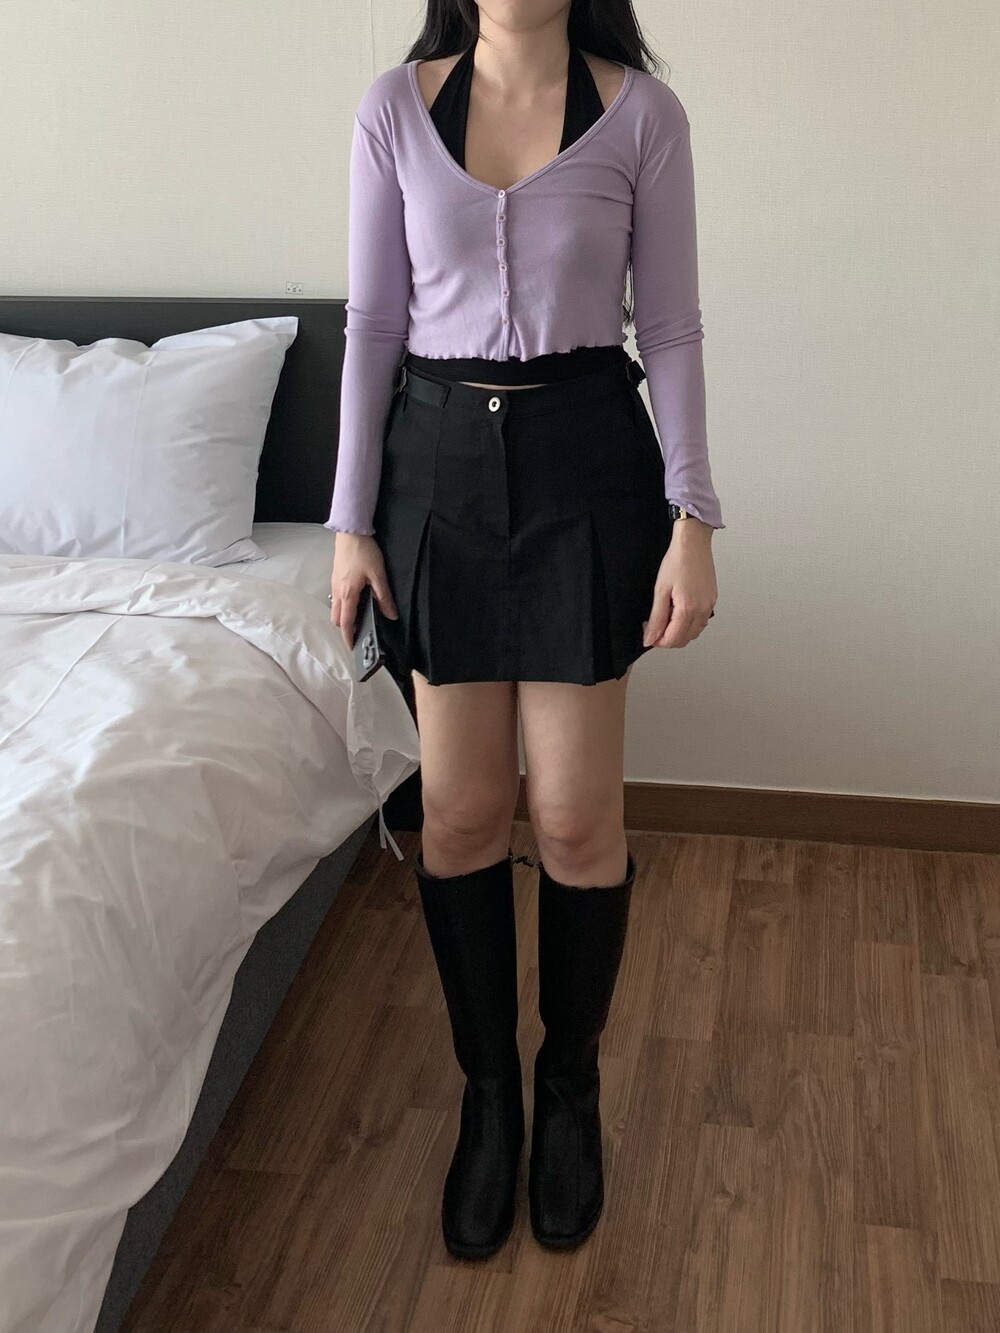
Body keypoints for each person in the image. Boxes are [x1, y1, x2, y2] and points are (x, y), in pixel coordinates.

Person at [327, 0, 724, 1261]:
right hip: (435, 472)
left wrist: (693, 515)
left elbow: (668, 326)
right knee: (456, 816)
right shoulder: (393, 110)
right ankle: (488, 1096)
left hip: (584, 468)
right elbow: (372, 326)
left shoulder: (642, 116)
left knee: (572, 819)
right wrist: (349, 521)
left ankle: (568, 1091)